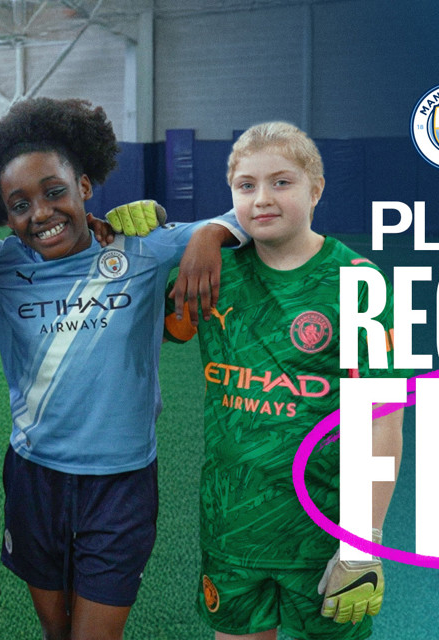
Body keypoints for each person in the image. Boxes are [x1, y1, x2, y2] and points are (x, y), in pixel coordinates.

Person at [0, 97, 244, 640]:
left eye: (54, 192)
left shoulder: (142, 248)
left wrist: (208, 234)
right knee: (56, 628)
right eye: (18, 204)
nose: (39, 213)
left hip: (122, 481)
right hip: (34, 476)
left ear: (85, 186)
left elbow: (245, 215)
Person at [169, 121, 404, 640]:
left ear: (315, 189)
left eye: (282, 182)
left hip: (323, 533)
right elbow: (136, 304)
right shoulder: (214, 273)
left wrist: (363, 544)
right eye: (246, 186)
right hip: (231, 528)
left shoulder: (360, 284)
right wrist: (201, 234)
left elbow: (383, 424)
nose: (262, 199)